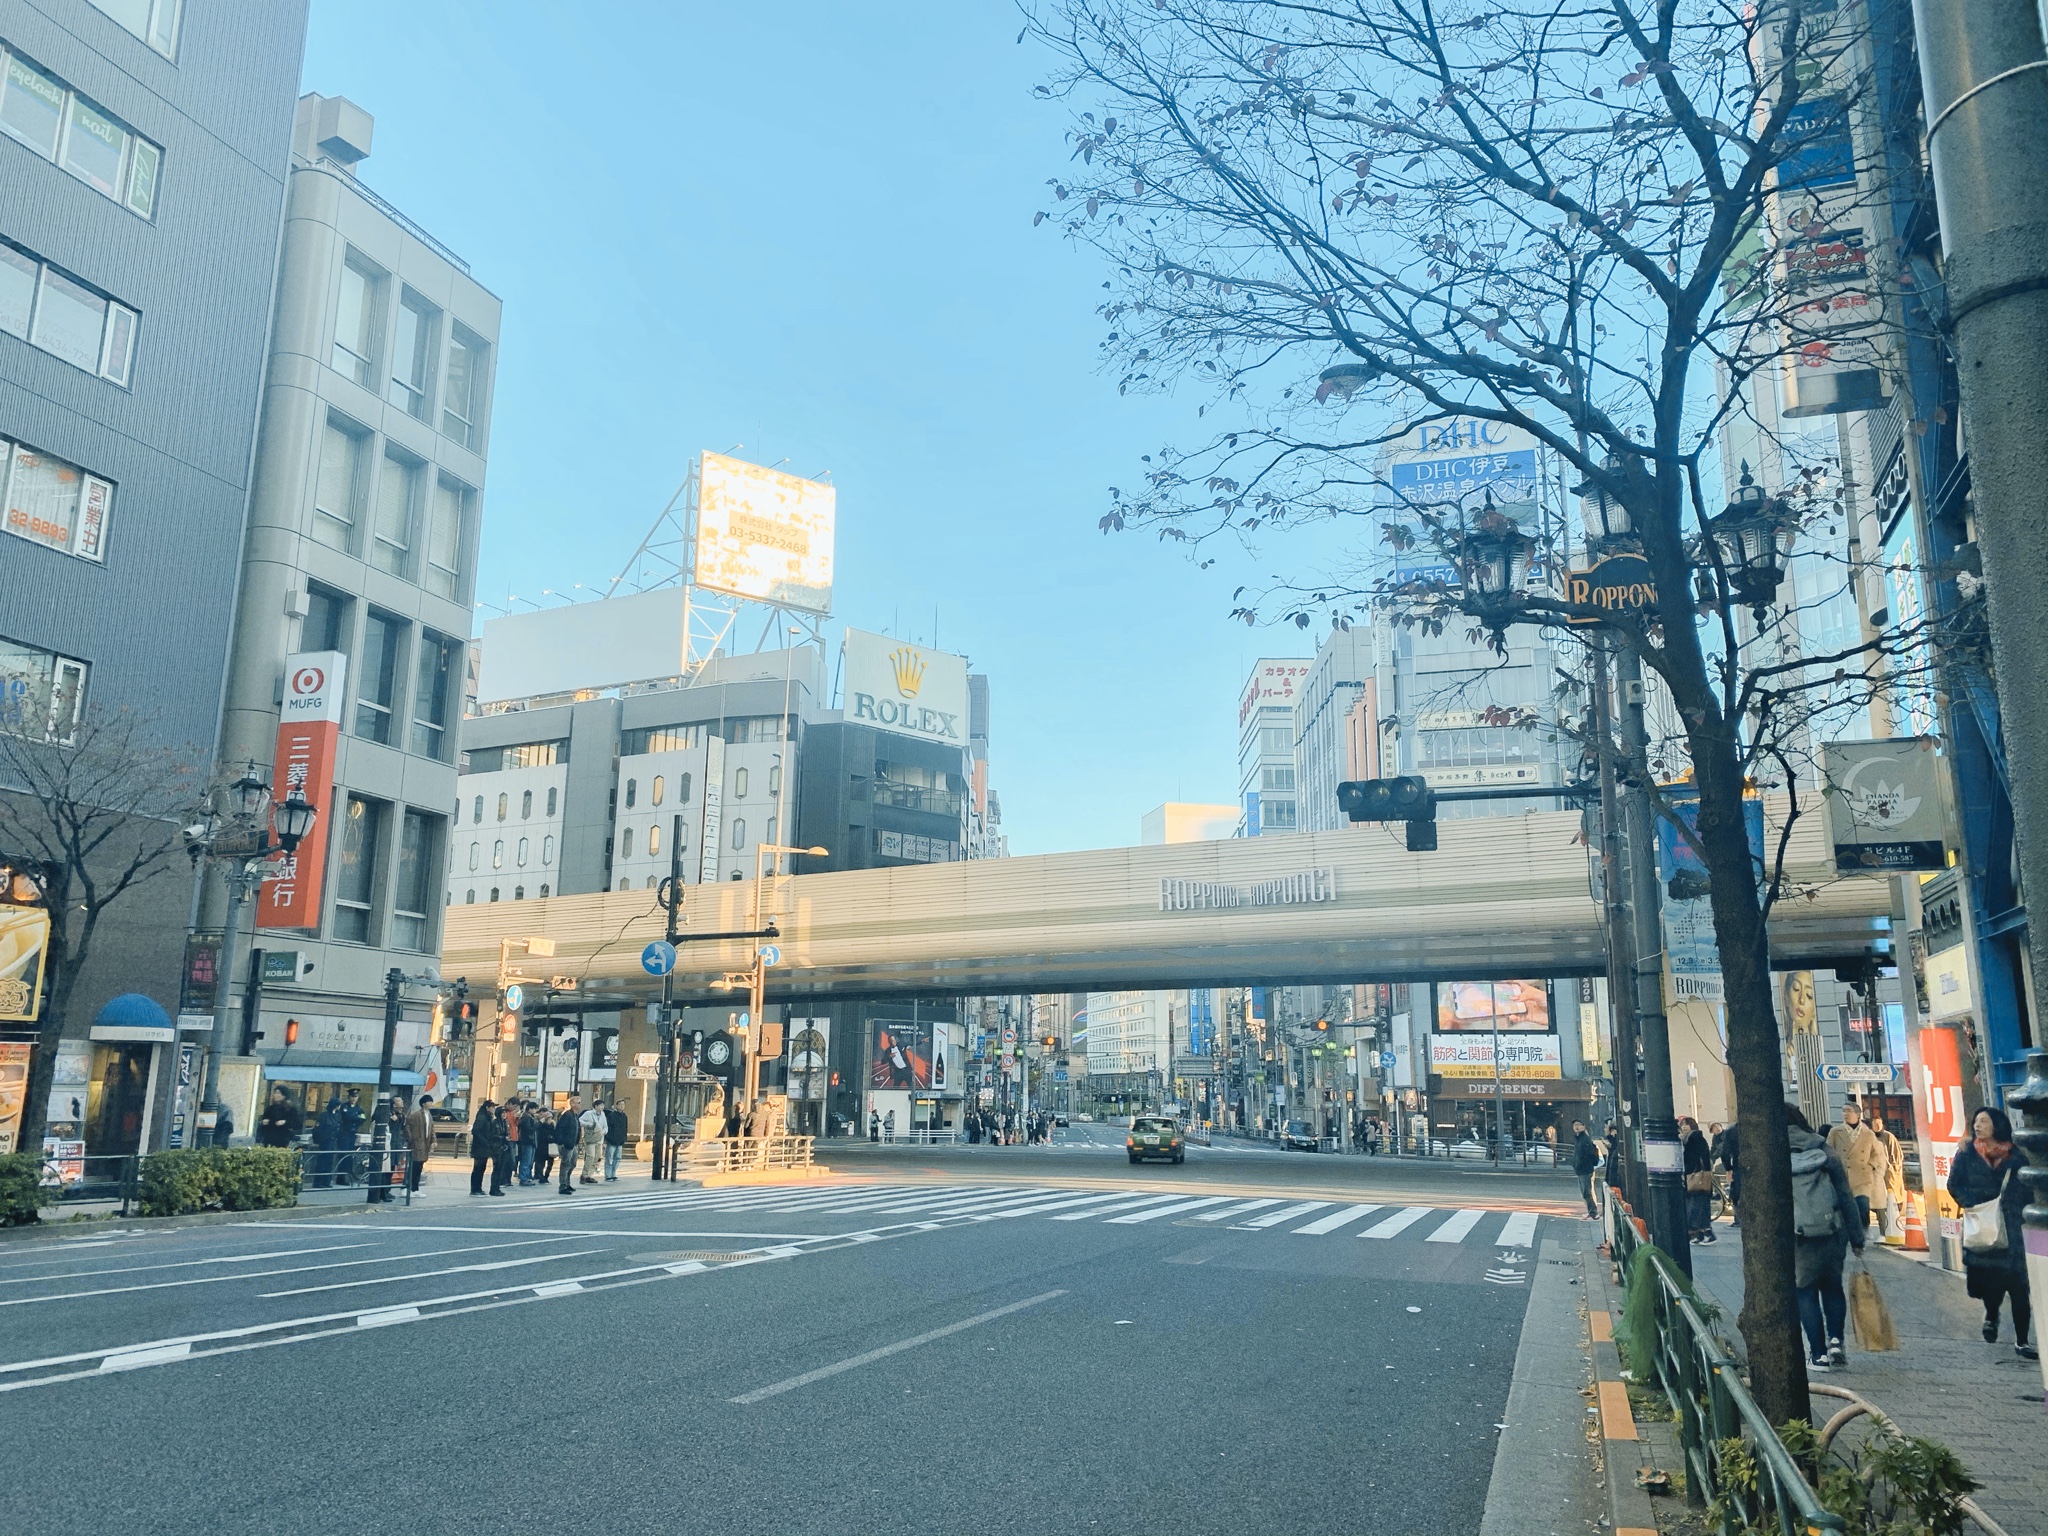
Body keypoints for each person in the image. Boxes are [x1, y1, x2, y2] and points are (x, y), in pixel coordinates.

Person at [1946, 1106, 2035, 1360]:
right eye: (1976, 1121)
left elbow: (2028, 1188)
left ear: (1996, 1125)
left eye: (1983, 1121)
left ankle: (2022, 1341)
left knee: (2019, 1287)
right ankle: (1992, 1315)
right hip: (1982, 1225)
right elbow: (1954, 1184)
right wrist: (1972, 1204)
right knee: (1989, 1285)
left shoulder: (2016, 1156)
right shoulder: (1966, 1154)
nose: (1978, 1126)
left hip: (2012, 1228)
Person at [1787, 1103, 1864, 1371]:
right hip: (1833, 1230)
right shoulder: (1822, 1147)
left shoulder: (1773, 1150)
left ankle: (1818, 1354)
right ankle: (1836, 1342)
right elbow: (1845, 1194)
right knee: (1832, 1286)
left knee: (1804, 1290)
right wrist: (1857, 1237)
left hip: (1799, 1235)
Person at [1826, 1100, 1885, 1233]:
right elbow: (1829, 1151)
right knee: (1845, 1207)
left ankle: (1863, 1230)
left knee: (1863, 1205)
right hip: (1843, 1176)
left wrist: (1870, 1165)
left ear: (1858, 1114)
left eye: (1849, 1111)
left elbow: (1878, 1154)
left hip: (1863, 1177)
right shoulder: (1835, 1132)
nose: (1845, 1114)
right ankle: (1849, 1233)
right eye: (1843, 1111)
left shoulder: (1868, 1134)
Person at [1869, 1113, 1906, 1240]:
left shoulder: (1889, 1137)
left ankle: (1894, 1231)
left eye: (1878, 1123)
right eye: (1874, 1124)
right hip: (1875, 1177)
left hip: (1889, 1176)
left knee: (1892, 1205)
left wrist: (1892, 1170)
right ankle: (1883, 1232)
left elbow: (1897, 1157)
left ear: (1882, 1124)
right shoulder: (1869, 1138)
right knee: (1879, 1206)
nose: (1876, 1126)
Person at [1681, 1116, 1715, 1244]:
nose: (1684, 1127)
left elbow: (1703, 1157)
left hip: (1696, 1176)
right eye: (1682, 1125)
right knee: (1694, 1207)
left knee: (1697, 1208)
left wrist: (1702, 1171)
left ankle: (1707, 1233)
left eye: (1686, 1124)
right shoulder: (1686, 1139)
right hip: (1692, 1177)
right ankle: (1699, 1235)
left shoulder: (1695, 1138)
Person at [311, 1098, 345, 1188]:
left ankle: (326, 1181)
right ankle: (318, 1182)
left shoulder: (337, 1115)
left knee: (329, 1163)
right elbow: (318, 1129)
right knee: (322, 1162)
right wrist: (317, 1140)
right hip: (324, 1142)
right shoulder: (324, 1115)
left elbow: (339, 1127)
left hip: (333, 1141)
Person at [1571, 1120, 1601, 1220]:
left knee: (1586, 1192)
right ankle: (1591, 1212)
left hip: (1585, 1169)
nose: (1577, 1127)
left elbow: (1591, 1154)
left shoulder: (1585, 1139)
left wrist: (1584, 1164)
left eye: (1579, 1125)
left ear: (1584, 1127)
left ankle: (1593, 1213)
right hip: (1581, 1169)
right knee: (1585, 1192)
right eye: (1575, 1125)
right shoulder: (1578, 1138)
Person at [554, 1093, 584, 1194]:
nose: (579, 1104)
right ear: (572, 1104)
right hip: (567, 1144)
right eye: (578, 1102)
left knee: (573, 1163)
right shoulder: (567, 1115)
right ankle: (563, 1185)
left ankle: (567, 1182)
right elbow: (560, 1129)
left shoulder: (575, 1116)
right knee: (565, 1164)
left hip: (574, 1143)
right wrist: (560, 1142)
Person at [404, 1093, 433, 1194]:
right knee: (414, 1167)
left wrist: (434, 1141)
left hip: (425, 1144)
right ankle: (411, 1188)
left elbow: (431, 1129)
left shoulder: (429, 1115)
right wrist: (411, 1139)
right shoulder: (415, 1115)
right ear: (424, 1103)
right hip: (416, 1144)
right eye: (429, 1102)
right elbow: (407, 1127)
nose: (431, 1104)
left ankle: (414, 1188)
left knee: (419, 1166)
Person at [1712, 1120, 1741, 1223]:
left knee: (1737, 1192)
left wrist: (1728, 1168)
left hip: (1737, 1165)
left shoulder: (1730, 1131)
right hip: (1742, 1165)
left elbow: (1724, 1151)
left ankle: (1738, 1220)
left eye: (1717, 1126)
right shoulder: (1716, 1138)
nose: (1716, 1128)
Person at [469, 1100, 499, 1197]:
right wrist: (485, 1142)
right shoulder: (482, 1117)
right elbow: (476, 1131)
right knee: (478, 1168)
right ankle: (474, 1190)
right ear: (487, 1108)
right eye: (492, 1107)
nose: (494, 1109)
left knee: (481, 1168)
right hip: (479, 1147)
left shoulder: (488, 1117)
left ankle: (478, 1188)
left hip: (484, 1148)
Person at [579, 1099, 606, 1184]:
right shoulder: (588, 1113)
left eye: (603, 1105)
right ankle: (584, 1174)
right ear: (596, 1106)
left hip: (599, 1138)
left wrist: (604, 1132)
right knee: (590, 1156)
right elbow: (579, 1121)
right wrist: (588, 1125)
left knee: (597, 1157)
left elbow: (605, 1126)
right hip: (591, 1138)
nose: (602, 1107)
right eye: (601, 1105)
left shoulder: (603, 1114)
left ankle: (590, 1175)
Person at [604, 1098, 629, 1181]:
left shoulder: (624, 1116)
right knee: (609, 1158)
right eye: (620, 1104)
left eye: (623, 1105)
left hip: (620, 1140)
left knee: (618, 1158)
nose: (622, 1106)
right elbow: (609, 1128)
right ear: (616, 1106)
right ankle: (608, 1175)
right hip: (612, 1140)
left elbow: (625, 1128)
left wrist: (624, 1138)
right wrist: (608, 1138)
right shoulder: (611, 1115)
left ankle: (613, 1173)